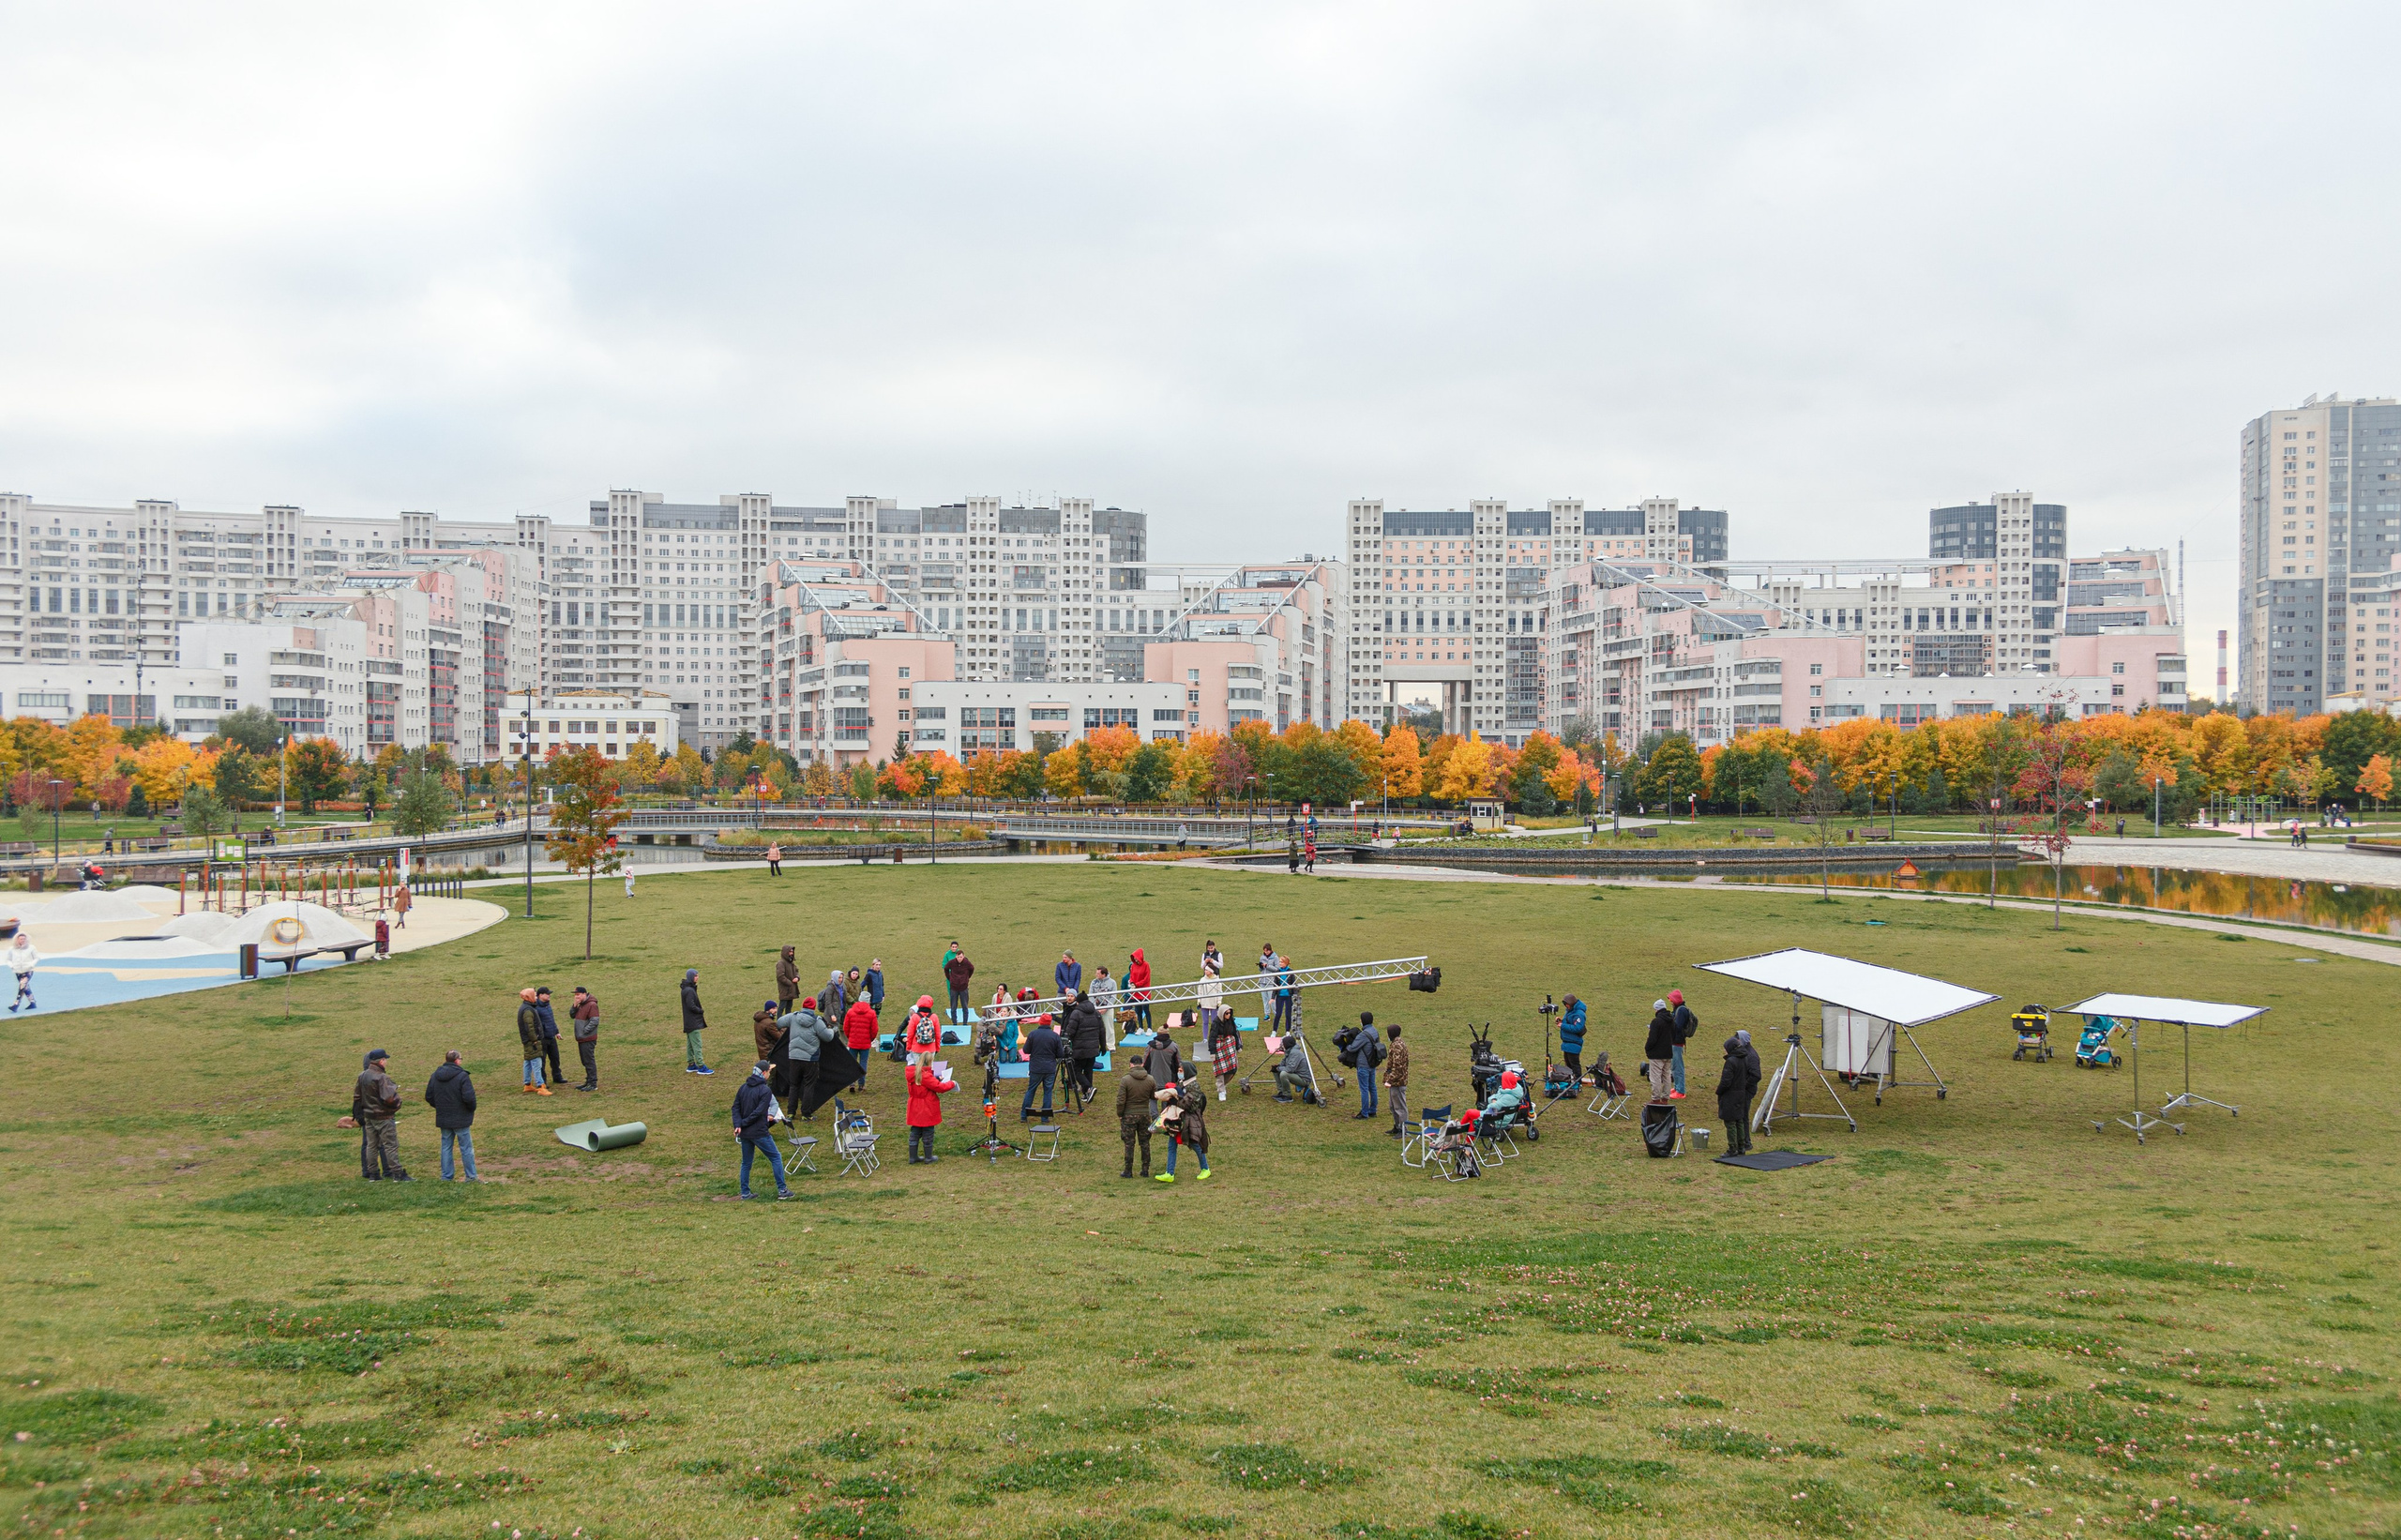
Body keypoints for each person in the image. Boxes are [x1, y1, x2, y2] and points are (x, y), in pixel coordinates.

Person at [731, 1061, 793, 1200]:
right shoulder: (765, 1090)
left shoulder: (743, 1088)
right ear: (763, 1073)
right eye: (769, 1072)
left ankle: (745, 1193)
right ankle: (782, 1190)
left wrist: (738, 1124)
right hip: (759, 1132)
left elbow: (735, 1108)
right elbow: (759, 1112)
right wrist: (743, 1123)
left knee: (746, 1163)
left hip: (745, 1133)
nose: (770, 1074)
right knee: (776, 1157)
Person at [778, 996, 838, 1118]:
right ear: (813, 1007)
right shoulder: (817, 1022)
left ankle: (791, 1113)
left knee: (794, 1085)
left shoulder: (794, 1017)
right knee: (808, 1085)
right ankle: (806, 1113)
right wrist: (833, 1029)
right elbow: (828, 1037)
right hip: (810, 1059)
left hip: (794, 1057)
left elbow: (779, 1023)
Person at [424, 1049, 478, 1181]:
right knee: (466, 1148)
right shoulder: (462, 1076)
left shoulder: (435, 1075)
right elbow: (469, 1098)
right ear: (457, 1060)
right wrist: (470, 1110)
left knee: (446, 1147)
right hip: (461, 1118)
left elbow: (429, 1096)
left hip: (444, 1116)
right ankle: (471, 1177)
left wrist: (440, 1107)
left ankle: (446, 1176)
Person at [355, 1048, 407, 1181]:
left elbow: (357, 1096)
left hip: (369, 1116)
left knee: (371, 1146)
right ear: (381, 1061)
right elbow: (389, 1098)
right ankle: (397, 1173)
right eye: (385, 1060)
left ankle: (373, 1174)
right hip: (384, 1117)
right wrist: (397, 1104)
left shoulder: (362, 1075)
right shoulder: (382, 1077)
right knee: (390, 1145)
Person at [1155, 1070, 1211, 1183]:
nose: (1179, 1072)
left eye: (1181, 1070)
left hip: (1189, 1121)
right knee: (1172, 1146)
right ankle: (1169, 1173)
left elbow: (1190, 1106)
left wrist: (1176, 1100)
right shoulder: (1182, 1083)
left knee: (1195, 1145)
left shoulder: (1194, 1087)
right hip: (1178, 1120)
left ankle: (1205, 1168)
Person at [1716, 1031, 1761, 1156]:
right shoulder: (1743, 1056)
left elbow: (1755, 1075)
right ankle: (1742, 1145)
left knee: (1734, 1120)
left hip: (1738, 1093)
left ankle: (1736, 1146)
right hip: (1741, 1091)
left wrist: (1720, 1091)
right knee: (1740, 1119)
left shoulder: (1745, 1057)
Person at [904, 1060, 957, 1164]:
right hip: (926, 1106)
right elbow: (939, 1087)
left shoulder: (913, 1073)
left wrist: (936, 1078)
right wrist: (952, 1083)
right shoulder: (925, 1076)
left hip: (914, 1105)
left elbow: (925, 1084)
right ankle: (928, 1157)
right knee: (928, 1132)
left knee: (915, 1131)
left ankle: (912, 1157)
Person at [1115, 1057, 1158, 1178]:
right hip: (1145, 1114)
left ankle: (1128, 1170)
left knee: (1129, 1143)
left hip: (1128, 1115)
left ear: (1131, 1064)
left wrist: (1120, 1114)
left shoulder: (1125, 1080)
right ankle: (1145, 1169)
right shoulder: (1150, 1079)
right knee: (1145, 1142)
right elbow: (1154, 1096)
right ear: (1142, 1064)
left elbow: (1120, 1100)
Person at [1063, 989, 1105, 1108]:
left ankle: (1089, 1088)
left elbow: (1071, 1031)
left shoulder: (1076, 1013)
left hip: (1079, 1048)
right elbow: (1102, 1030)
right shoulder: (1096, 1013)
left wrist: (1065, 1041)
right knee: (1088, 1070)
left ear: (1078, 1001)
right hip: (1093, 1048)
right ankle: (1087, 1094)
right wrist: (1103, 1045)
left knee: (1076, 1071)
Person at [1019, 1010, 1062, 1121]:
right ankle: (1044, 1117)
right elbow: (1060, 1054)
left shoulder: (1033, 1034)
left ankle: (1024, 1115)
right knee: (1048, 1092)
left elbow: (1026, 1050)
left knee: (1031, 1090)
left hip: (1036, 1067)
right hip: (1049, 1068)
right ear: (1050, 1023)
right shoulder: (1055, 1036)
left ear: (1040, 1022)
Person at [842, 990, 879, 1090]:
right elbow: (874, 1030)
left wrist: (850, 1037)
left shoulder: (850, 1012)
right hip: (865, 1043)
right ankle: (861, 1084)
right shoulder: (871, 1013)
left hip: (853, 1042)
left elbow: (846, 1027)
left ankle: (852, 1083)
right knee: (863, 1063)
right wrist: (870, 1039)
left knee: (852, 1063)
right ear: (868, 1002)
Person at [679, 968, 713, 1075]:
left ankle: (691, 1064)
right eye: (695, 976)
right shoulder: (689, 990)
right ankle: (701, 1066)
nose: (697, 977)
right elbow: (691, 1005)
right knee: (697, 1044)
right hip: (693, 1022)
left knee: (690, 1044)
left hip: (688, 1021)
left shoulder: (686, 989)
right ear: (691, 977)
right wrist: (700, 1010)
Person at [1349, 1013, 1382, 1121]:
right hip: (1372, 1063)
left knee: (1364, 1089)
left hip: (1363, 1064)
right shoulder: (1375, 1031)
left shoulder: (1363, 1035)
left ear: (1362, 1021)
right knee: (1372, 1087)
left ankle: (1364, 1113)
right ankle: (1373, 1110)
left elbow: (1353, 1048)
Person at [517, 988, 551, 1094]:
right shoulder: (528, 1010)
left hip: (527, 1040)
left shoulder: (526, 1008)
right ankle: (541, 1086)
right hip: (531, 1041)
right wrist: (535, 1039)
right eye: (535, 995)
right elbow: (529, 1027)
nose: (536, 997)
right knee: (537, 1063)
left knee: (528, 1062)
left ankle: (527, 1084)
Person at [1643, 999, 1676, 1103]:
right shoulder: (1671, 1020)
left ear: (1657, 1009)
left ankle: (1656, 1099)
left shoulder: (1656, 1022)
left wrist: (1647, 1048)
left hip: (1657, 1054)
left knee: (1655, 1077)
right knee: (1667, 1076)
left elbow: (1652, 1039)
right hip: (1668, 1053)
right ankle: (1665, 1098)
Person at [1668, 989, 1698, 1099]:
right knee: (1675, 1066)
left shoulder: (1681, 1011)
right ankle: (1677, 1087)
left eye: (1671, 1000)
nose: (1670, 1002)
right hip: (1676, 1042)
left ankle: (1680, 1091)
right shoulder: (1680, 1010)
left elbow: (1677, 1026)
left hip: (1677, 1042)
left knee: (1678, 1067)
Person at [570, 984, 601, 1091]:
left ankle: (593, 1084)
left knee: (589, 1061)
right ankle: (588, 1081)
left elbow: (595, 1021)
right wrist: (574, 1006)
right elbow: (572, 1015)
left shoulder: (592, 1005)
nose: (576, 997)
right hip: (582, 1038)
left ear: (585, 994)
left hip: (588, 1038)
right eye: (575, 995)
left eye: (578, 995)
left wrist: (584, 1031)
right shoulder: (581, 1004)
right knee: (585, 1061)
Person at [1272, 1024, 1311, 1103]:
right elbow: (1283, 1063)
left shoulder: (1295, 1053)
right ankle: (1281, 1092)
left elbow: (1290, 1069)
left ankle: (1287, 1096)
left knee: (1283, 1074)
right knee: (1277, 1070)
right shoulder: (1290, 1051)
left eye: (1282, 1044)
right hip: (1297, 1075)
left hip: (1303, 1079)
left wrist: (1279, 1068)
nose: (1281, 1046)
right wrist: (1277, 1067)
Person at [1208, 1007, 1240, 1102]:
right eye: (1226, 1013)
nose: (1228, 1015)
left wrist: (1238, 1046)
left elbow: (1235, 1034)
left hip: (1230, 1048)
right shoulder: (1216, 1023)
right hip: (1219, 1048)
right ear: (1222, 1014)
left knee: (1233, 1069)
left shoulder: (1231, 1022)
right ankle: (1221, 1091)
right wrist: (1212, 1052)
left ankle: (1222, 1085)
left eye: (1230, 1013)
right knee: (1220, 1071)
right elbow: (1212, 1038)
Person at [1382, 1026, 1410, 1138]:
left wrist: (1389, 1080)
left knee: (1399, 1107)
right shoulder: (1397, 1043)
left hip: (1398, 1082)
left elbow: (1397, 1067)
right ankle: (1397, 1126)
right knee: (1393, 1106)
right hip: (1396, 1081)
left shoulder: (1397, 1046)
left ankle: (1403, 1129)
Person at [535, 987, 565, 1090]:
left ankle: (557, 1076)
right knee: (542, 1061)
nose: (549, 995)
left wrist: (556, 1032)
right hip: (543, 1039)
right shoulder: (536, 1008)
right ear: (540, 995)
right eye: (547, 994)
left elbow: (551, 1020)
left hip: (551, 1037)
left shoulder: (547, 1005)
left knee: (555, 1058)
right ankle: (543, 1081)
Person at [904, 993, 942, 1064]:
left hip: (917, 1049)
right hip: (931, 1049)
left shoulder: (915, 1017)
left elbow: (910, 1034)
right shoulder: (934, 1017)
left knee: (919, 1071)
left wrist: (908, 1047)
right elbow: (937, 1035)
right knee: (929, 1070)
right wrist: (937, 1048)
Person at [1558, 995, 1587, 1085]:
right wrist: (1561, 1021)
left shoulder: (1579, 1014)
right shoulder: (1570, 1011)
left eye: (1567, 1004)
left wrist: (1563, 1026)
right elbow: (1569, 1021)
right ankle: (1571, 1082)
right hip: (1567, 1043)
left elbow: (1577, 1028)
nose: (1566, 1006)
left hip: (1573, 1043)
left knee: (1574, 1065)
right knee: (1568, 1065)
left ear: (1571, 1004)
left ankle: (1578, 1083)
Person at [1143, 1023, 1183, 1091]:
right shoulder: (1173, 1046)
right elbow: (1179, 1064)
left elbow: (1145, 1063)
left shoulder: (1150, 1046)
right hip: (1169, 1080)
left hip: (1152, 1079)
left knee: (1152, 1100)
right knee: (1167, 1100)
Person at [943, 944, 974, 1024]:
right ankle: (954, 1023)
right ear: (956, 956)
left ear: (963, 957)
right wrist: (949, 978)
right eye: (958, 957)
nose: (960, 958)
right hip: (954, 988)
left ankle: (965, 1023)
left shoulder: (967, 963)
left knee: (965, 1007)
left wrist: (967, 978)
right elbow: (946, 968)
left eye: (961, 957)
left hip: (964, 988)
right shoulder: (951, 962)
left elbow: (972, 969)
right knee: (953, 1007)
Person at [7, 931, 38, 1012]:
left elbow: (36, 957)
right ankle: (33, 1003)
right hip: (18, 971)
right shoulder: (12, 949)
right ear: (17, 939)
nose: (23, 940)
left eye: (24, 939)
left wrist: (31, 964)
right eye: (21, 939)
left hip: (28, 971)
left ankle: (16, 1004)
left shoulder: (31, 948)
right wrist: (12, 966)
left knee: (22, 986)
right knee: (25, 987)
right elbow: (8, 959)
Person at [1126, 948, 1153, 1034]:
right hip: (1136, 992)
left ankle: (1149, 1028)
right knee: (1138, 1010)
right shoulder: (1133, 966)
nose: (1136, 960)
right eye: (1134, 958)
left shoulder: (1146, 965)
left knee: (1146, 1009)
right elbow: (1132, 976)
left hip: (1144, 991)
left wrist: (1137, 984)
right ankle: (1141, 1027)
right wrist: (1132, 983)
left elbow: (1146, 979)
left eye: (1137, 958)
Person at [1271, 954, 1297, 1035]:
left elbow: (1294, 985)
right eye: (1280, 962)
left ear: (1286, 963)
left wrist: (1294, 995)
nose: (1280, 963)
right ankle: (1274, 1031)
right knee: (1278, 1014)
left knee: (1288, 1014)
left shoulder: (1291, 972)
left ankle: (1287, 1031)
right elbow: (1275, 985)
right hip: (1280, 996)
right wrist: (1272, 997)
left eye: (1282, 962)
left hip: (1288, 996)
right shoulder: (1277, 972)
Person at [776, 945, 800, 1012]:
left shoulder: (791, 963)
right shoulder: (781, 963)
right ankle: (779, 1021)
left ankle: (787, 1021)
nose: (792, 953)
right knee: (782, 1007)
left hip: (791, 989)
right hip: (785, 989)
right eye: (790, 952)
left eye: (792, 951)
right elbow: (780, 976)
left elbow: (796, 971)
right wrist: (790, 983)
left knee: (789, 1007)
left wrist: (797, 977)